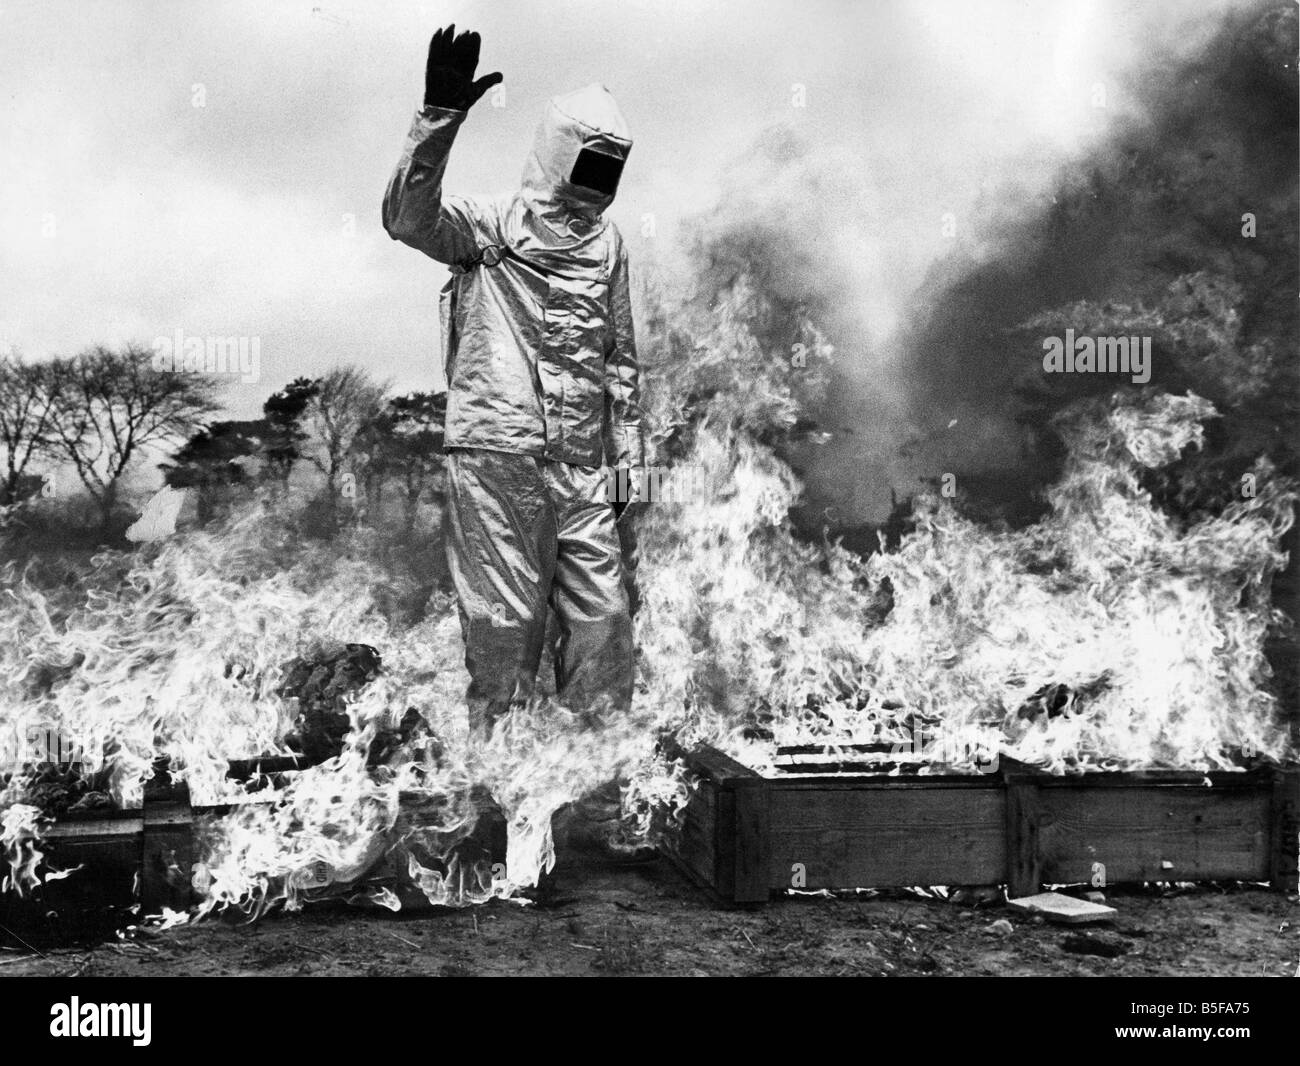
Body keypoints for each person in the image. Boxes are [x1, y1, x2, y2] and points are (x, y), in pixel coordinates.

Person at [383, 25, 645, 738]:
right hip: (498, 456)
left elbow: (620, 361)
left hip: (583, 468)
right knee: (506, 628)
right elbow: (406, 219)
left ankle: (590, 775)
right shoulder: (490, 224)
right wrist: (439, 116)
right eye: (590, 158)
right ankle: (496, 776)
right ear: (560, 150)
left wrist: (629, 471)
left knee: (606, 624)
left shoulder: (608, 245)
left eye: (611, 164)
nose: (598, 176)